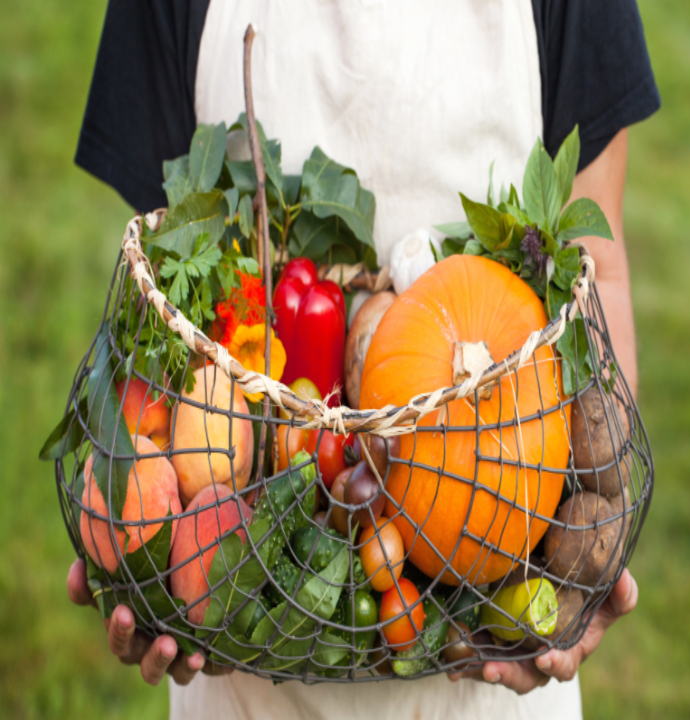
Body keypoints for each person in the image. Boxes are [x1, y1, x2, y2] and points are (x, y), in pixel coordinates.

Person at [69, 1, 659, 718]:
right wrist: (134, 545)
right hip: (241, 669)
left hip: (487, 672)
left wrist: (594, 536)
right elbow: (162, 269)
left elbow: (598, 263)